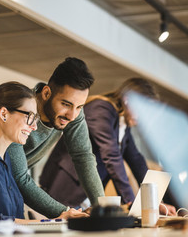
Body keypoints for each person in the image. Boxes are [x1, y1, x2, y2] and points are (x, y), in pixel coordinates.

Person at [40, 78, 177, 216]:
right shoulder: (101, 109)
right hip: (67, 184)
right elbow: (112, 156)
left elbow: (137, 161)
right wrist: (131, 203)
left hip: (87, 192)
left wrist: (155, 201)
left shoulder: (122, 124)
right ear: (127, 100)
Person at [0, 81, 88, 224]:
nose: (34, 127)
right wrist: (54, 222)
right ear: (4, 114)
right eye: (29, 117)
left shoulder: (6, 160)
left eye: (35, 119)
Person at [7, 57, 105, 219]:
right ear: (46, 93)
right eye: (66, 104)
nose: (72, 115)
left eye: (79, 107)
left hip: (12, 189)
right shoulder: (21, 110)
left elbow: (83, 157)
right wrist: (63, 212)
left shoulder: (72, 115)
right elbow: (19, 177)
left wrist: (102, 207)